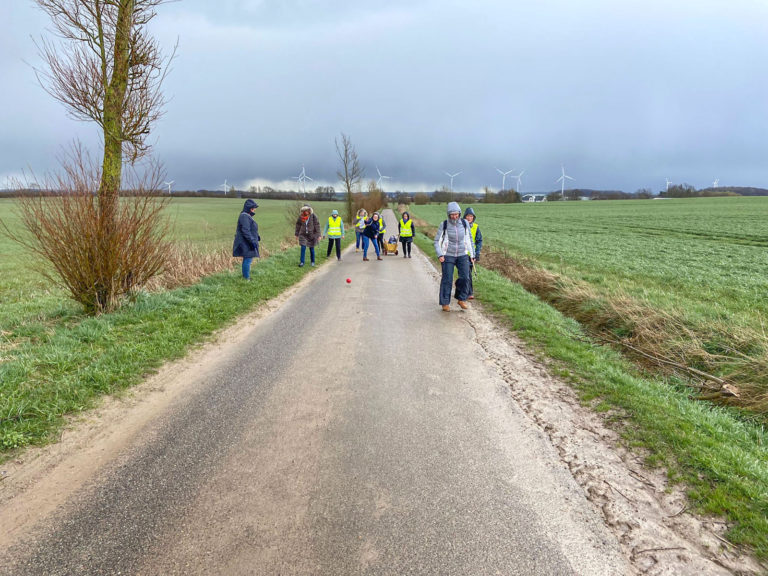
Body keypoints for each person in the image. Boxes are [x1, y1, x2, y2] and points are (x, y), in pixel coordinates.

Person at [434, 201, 474, 311]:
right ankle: (445, 303)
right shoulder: (444, 224)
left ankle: (461, 299)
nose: (454, 216)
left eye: (456, 214)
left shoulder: (465, 223)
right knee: (447, 279)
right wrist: (440, 254)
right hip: (448, 255)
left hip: (462, 254)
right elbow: (437, 241)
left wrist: (472, 254)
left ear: (460, 213)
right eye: (452, 214)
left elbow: (469, 239)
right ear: (448, 214)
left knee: (465, 278)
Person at [232, 198, 260, 280]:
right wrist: (252, 242)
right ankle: (246, 278)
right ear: (249, 208)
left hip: (247, 241)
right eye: (253, 208)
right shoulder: (244, 216)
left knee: (248, 259)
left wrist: (257, 236)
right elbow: (245, 231)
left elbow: (250, 228)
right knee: (247, 259)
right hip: (246, 242)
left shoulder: (247, 216)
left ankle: (246, 277)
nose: (254, 210)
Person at [462, 206, 482, 299]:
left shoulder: (476, 227)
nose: (469, 218)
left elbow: (479, 241)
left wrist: (477, 253)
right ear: (464, 217)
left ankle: (468, 292)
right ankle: (467, 292)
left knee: (468, 273)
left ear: (473, 217)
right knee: (466, 274)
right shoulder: (461, 226)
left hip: (471, 255)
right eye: (468, 216)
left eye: (471, 216)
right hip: (462, 253)